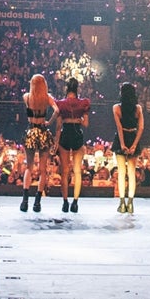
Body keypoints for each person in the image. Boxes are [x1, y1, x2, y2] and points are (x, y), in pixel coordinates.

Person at [55, 77, 91, 213]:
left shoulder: (60, 104)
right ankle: (75, 203)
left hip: (65, 134)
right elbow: (86, 124)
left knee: (64, 171)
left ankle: (65, 202)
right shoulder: (84, 103)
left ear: (67, 89)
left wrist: (56, 141)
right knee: (77, 171)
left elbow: (58, 126)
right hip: (77, 134)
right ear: (77, 89)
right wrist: (78, 119)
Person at [20, 74, 55, 213]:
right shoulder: (47, 97)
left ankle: (25, 201)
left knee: (29, 167)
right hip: (43, 131)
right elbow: (57, 111)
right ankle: (37, 202)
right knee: (42, 170)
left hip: (31, 131)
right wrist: (49, 122)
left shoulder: (26, 97)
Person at [112, 83, 144, 214]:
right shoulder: (138, 108)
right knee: (131, 173)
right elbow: (141, 128)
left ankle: (122, 203)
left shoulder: (116, 108)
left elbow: (119, 127)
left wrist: (122, 144)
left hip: (122, 138)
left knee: (121, 172)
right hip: (133, 135)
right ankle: (130, 204)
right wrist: (135, 144)